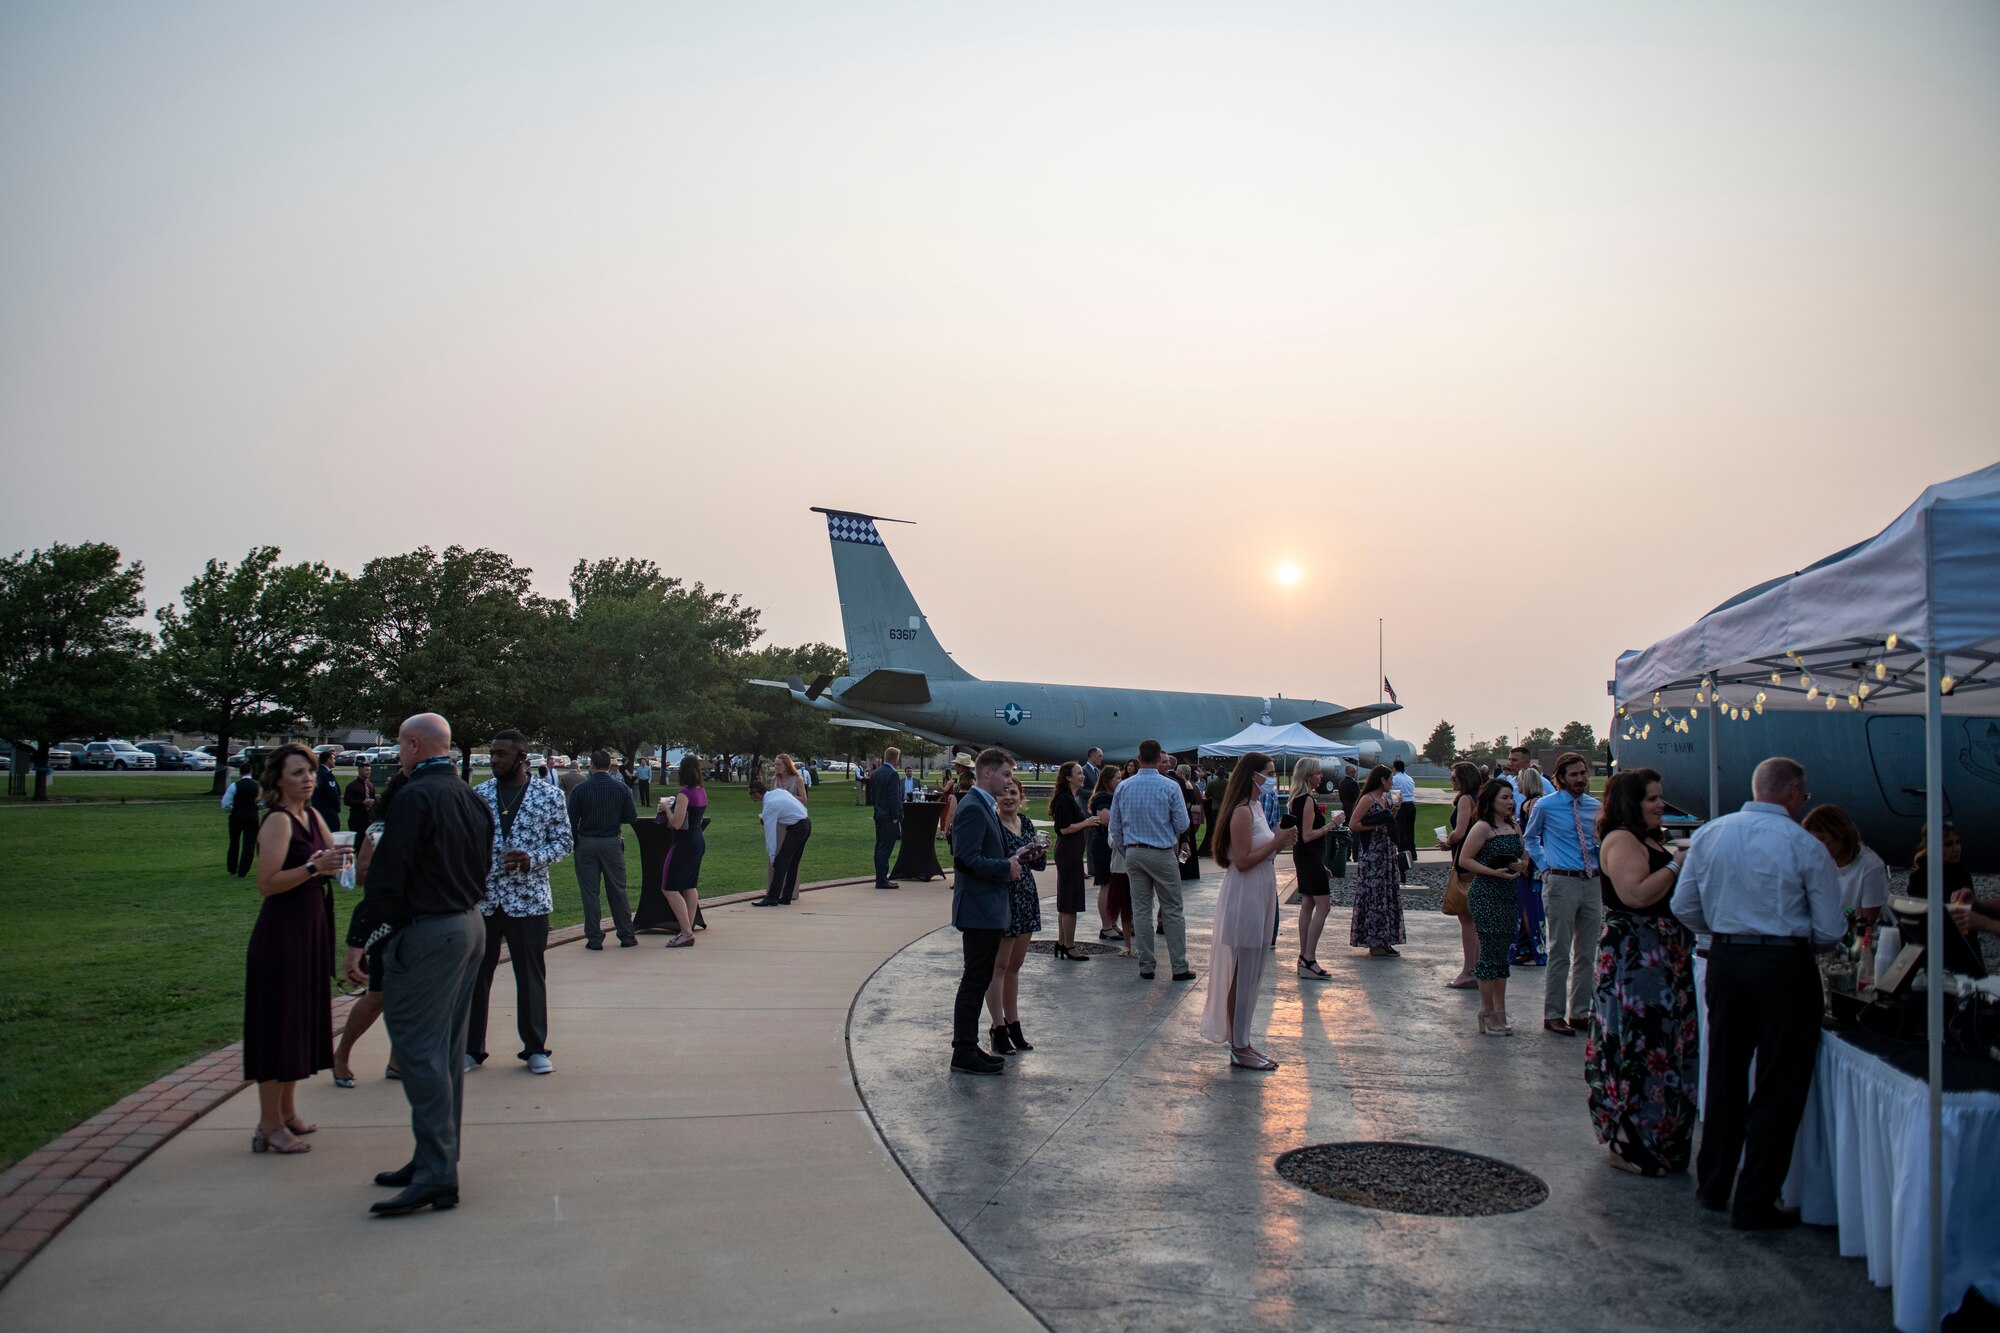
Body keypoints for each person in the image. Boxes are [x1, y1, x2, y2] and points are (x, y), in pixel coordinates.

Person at [1670, 756, 1843, 1230]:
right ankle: (1755, 1199)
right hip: (1785, 964)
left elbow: (1683, 904)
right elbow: (1830, 930)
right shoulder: (1804, 845)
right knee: (1779, 1084)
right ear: (1791, 792)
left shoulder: (1710, 834)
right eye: (1802, 795)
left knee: (1724, 1072)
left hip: (1726, 959)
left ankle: (1713, 1184)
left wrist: (1724, 930)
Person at [342, 712, 493, 1217]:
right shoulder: (471, 796)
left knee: (420, 1051)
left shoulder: (415, 798)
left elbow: (388, 878)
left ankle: (436, 1173)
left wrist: (360, 937)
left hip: (430, 931)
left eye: (400, 747)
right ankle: (433, 1159)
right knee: (446, 1051)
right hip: (469, 923)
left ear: (411, 745)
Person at [1586, 768, 1698, 1177]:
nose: (1660, 805)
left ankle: (1663, 1136)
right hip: (1637, 955)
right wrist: (1676, 866)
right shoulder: (1621, 840)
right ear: (1631, 802)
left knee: (1667, 1043)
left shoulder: (1653, 839)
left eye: (1660, 797)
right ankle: (1630, 1139)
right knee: (1640, 1043)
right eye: (1652, 798)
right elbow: (1634, 894)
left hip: (1666, 954)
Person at [244, 743, 344, 1155]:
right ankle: (268, 1124)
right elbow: (267, 884)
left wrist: (348, 858)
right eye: (298, 773)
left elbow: (336, 860)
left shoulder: (313, 815)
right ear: (278, 779)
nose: (307, 779)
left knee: (298, 1023)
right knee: (278, 1025)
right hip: (282, 934)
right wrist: (313, 868)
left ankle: (286, 1112)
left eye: (311, 771)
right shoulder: (279, 822)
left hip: (311, 927)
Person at [467, 730, 571, 1076]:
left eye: (500, 754)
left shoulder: (548, 796)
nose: (493, 759)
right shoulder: (479, 795)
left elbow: (564, 841)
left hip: (529, 901)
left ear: (522, 757)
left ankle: (535, 1048)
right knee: (476, 977)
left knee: (529, 976)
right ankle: (471, 1049)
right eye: (492, 753)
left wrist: (533, 858)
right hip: (485, 901)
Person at [1200, 751, 1298, 1070]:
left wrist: (1279, 842)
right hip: (1245, 893)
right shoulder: (1241, 811)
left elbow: (1260, 851)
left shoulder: (1255, 806)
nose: (1273, 778)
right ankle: (1239, 1045)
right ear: (1252, 775)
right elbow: (1241, 861)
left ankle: (1243, 1040)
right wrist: (1276, 842)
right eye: (1268, 772)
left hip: (1259, 890)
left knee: (1251, 971)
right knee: (1244, 971)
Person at [949, 749, 1028, 1074]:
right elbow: (964, 859)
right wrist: (1004, 868)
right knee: (974, 981)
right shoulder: (973, 808)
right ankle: (963, 1051)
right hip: (979, 909)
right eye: (1006, 774)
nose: (1010, 781)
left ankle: (968, 1046)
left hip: (988, 909)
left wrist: (1016, 856)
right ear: (987, 774)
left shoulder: (983, 806)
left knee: (979, 979)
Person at [1520, 752, 1602, 1036]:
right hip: (1561, 881)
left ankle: (1580, 1012)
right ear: (1561, 778)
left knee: (1587, 952)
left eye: (1583, 773)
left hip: (1591, 881)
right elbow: (1530, 838)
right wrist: (1545, 867)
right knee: (1559, 951)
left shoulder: (1595, 807)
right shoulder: (1547, 805)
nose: (1580, 779)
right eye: (1574, 774)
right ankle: (1553, 1014)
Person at [334, 769, 406, 1088]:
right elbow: (360, 875)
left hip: (418, 921)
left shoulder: (429, 827)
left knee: (409, 995)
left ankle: (397, 1060)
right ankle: (341, 1055)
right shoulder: (379, 830)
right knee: (377, 995)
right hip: (383, 922)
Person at [1110, 739, 1193, 981]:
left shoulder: (1124, 787)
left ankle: (1146, 965)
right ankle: (1178, 966)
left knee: (1141, 910)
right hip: (1162, 851)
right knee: (1173, 910)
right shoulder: (1169, 786)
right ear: (1159, 758)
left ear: (1138, 758)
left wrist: (1128, 850)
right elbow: (1183, 823)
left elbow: (1115, 827)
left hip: (1134, 851)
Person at [1458, 779, 1527, 1034]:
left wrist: (1521, 864)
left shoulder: (1512, 826)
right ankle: (1486, 1012)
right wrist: (1492, 872)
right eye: (1504, 798)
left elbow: (1523, 855)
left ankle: (1500, 1011)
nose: (1510, 803)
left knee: (1502, 957)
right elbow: (1465, 859)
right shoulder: (1483, 827)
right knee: (1489, 955)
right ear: (1491, 801)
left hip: (1509, 893)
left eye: (1511, 798)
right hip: (1486, 894)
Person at [986, 776, 1047, 1053]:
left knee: (1015, 966)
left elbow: (1040, 866)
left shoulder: (1028, 823)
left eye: (1014, 792)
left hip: (1026, 897)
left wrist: (1038, 853)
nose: (1008, 797)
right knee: (998, 967)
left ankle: (1014, 1024)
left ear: (1021, 797)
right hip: (1004, 899)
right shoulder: (992, 824)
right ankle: (997, 1028)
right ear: (997, 797)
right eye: (1004, 793)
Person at [567, 750, 640, 950]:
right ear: (609, 766)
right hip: (611, 841)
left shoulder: (580, 790)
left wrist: (576, 843)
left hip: (587, 842)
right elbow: (631, 817)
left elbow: (571, 821)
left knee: (590, 892)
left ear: (591, 766)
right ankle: (626, 934)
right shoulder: (621, 788)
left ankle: (594, 938)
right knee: (617, 889)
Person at [1288, 757, 1340, 977]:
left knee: (1308, 904)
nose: (1321, 776)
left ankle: (1304, 957)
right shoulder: (1307, 799)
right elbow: (1308, 835)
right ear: (1308, 776)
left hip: (1306, 857)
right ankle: (1309, 957)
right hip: (1308, 855)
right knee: (1323, 905)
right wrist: (1331, 826)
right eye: (1318, 773)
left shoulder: (1296, 799)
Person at [1348, 765, 1407, 957]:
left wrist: (1395, 810)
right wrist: (1375, 825)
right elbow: (1354, 824)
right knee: (1374, 896)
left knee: (1386, 896)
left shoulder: (1385, 799)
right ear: (1382, 780)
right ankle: (1374, 940)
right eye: (1390, 779)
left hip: (1386, 853)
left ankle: (1385, 939)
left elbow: (1387, 823)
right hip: (1373, 855)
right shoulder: (1368, 799)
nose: (1392, 783)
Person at [1801, 805, 1889, 927]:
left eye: (1822, 840)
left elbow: (1868, 922)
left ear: (1839, 833)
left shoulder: (1870, 866)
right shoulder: (1821, 860)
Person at [656, 755, 709, 944]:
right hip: (697, 841)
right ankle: (689, 927)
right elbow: (698, 819)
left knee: (669, 888)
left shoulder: (684, 793)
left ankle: (686, 932)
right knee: (689, 885)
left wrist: (666, 808)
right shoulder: (701, 791)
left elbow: (677, 823)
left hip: (683, 844)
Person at [1440, 762, 1482, 988]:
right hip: (1477, 860)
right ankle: (1477, 967)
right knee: (1475, 917)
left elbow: (1461, 831)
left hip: (1465, 862)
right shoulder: (1480, 797)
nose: (1451, 780)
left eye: (1454, 777)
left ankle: (1469, 970)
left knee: (1466, 918)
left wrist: (1448, 841)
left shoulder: (1466, 799)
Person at [1048, 761, 1094, 961]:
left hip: (1071, 853)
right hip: (1068, 854)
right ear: (1068, 777)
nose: (1082, 776)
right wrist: (1087, 822)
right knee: (1070, 901)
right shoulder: (1065, 799)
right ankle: (1069, 945)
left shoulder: (1068, 798)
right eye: (1079, 773)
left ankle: (1062, 942)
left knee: (1066, 900)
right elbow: (1063, 828)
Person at [750, 778, 811, 905]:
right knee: (793, 862)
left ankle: (772, 897)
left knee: (781, 862)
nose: (751, 797)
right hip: (806, 822)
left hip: (798, 828)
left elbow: (770, 835)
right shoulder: (777, 792)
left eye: (751, 794)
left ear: (756, 793)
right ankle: (786, 896)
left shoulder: (769, 805)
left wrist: (772, 857)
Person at [1512, 766, 1548, 967]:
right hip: (1530, 858)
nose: (1517, 784)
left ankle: (1536, 950)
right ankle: (1526, 948)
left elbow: (1532, 836)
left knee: (1530, 906)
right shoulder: (1531, 802)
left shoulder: (1532, 804)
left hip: (1530, 860)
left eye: (1519, 780)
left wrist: (1525, 860)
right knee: (1526, 904)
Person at [1086, 766, 1124, 946]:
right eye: (1117, 778)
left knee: (1114, 884)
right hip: (1102, 843)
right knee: (1106, 884)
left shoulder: (1112, 796)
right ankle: (1106, 925)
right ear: (1108, 780)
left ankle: (1112, 922)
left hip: (1111, 843)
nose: (1120, 781)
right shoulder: (1102, 797)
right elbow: (1105, 819)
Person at [869, 746, 904, 890]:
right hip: (889, 816)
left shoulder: (876, 773)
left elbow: (873, 795)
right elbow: (893, 798)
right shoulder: (893, 775)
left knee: (879, 846)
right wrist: (896, 817)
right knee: (886, 848)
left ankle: (880, 877)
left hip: (879, 813)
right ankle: (882, 879)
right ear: (896, 759)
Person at [222, 762, 261, 877]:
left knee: (234, 842)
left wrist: (232, 809)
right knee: (249, 844)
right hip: (252, 816)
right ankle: (243, 870)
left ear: (240, 772)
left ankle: (232, 867)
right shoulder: (258, 786)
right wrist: (255, 807)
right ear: (251, 772)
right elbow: (263, 802)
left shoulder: (234, 786)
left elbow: (225, 804)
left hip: (236, 815)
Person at [1390, 759, 1419, 871]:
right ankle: (1413, 853)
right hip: (1411, 805)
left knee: (1401, 830)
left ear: (1395, 768)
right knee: (1410, 830)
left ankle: (1402, 854)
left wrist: (1394, 806)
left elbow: (1394, 793)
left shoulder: (1395, 779)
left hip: (1402, 805)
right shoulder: (1409, 778)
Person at [344, 759, 376, 848]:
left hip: (368, 819)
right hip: (356, 819)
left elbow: (374, 798)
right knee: (356, 845)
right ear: (360, 770)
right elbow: (347, 801)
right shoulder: (352, 786)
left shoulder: (371, 785)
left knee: (367, 846)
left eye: (369, 770)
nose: (369, 772)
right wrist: (362, 803)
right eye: (366, 770)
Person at [312, 751, 343, 830]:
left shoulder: (317, 773)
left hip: (317, 810)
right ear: (328, 760)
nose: (334, 761)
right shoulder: (327, 775)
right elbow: (333, 794)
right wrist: (337, 808)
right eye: (333, 758)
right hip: (329, 812)